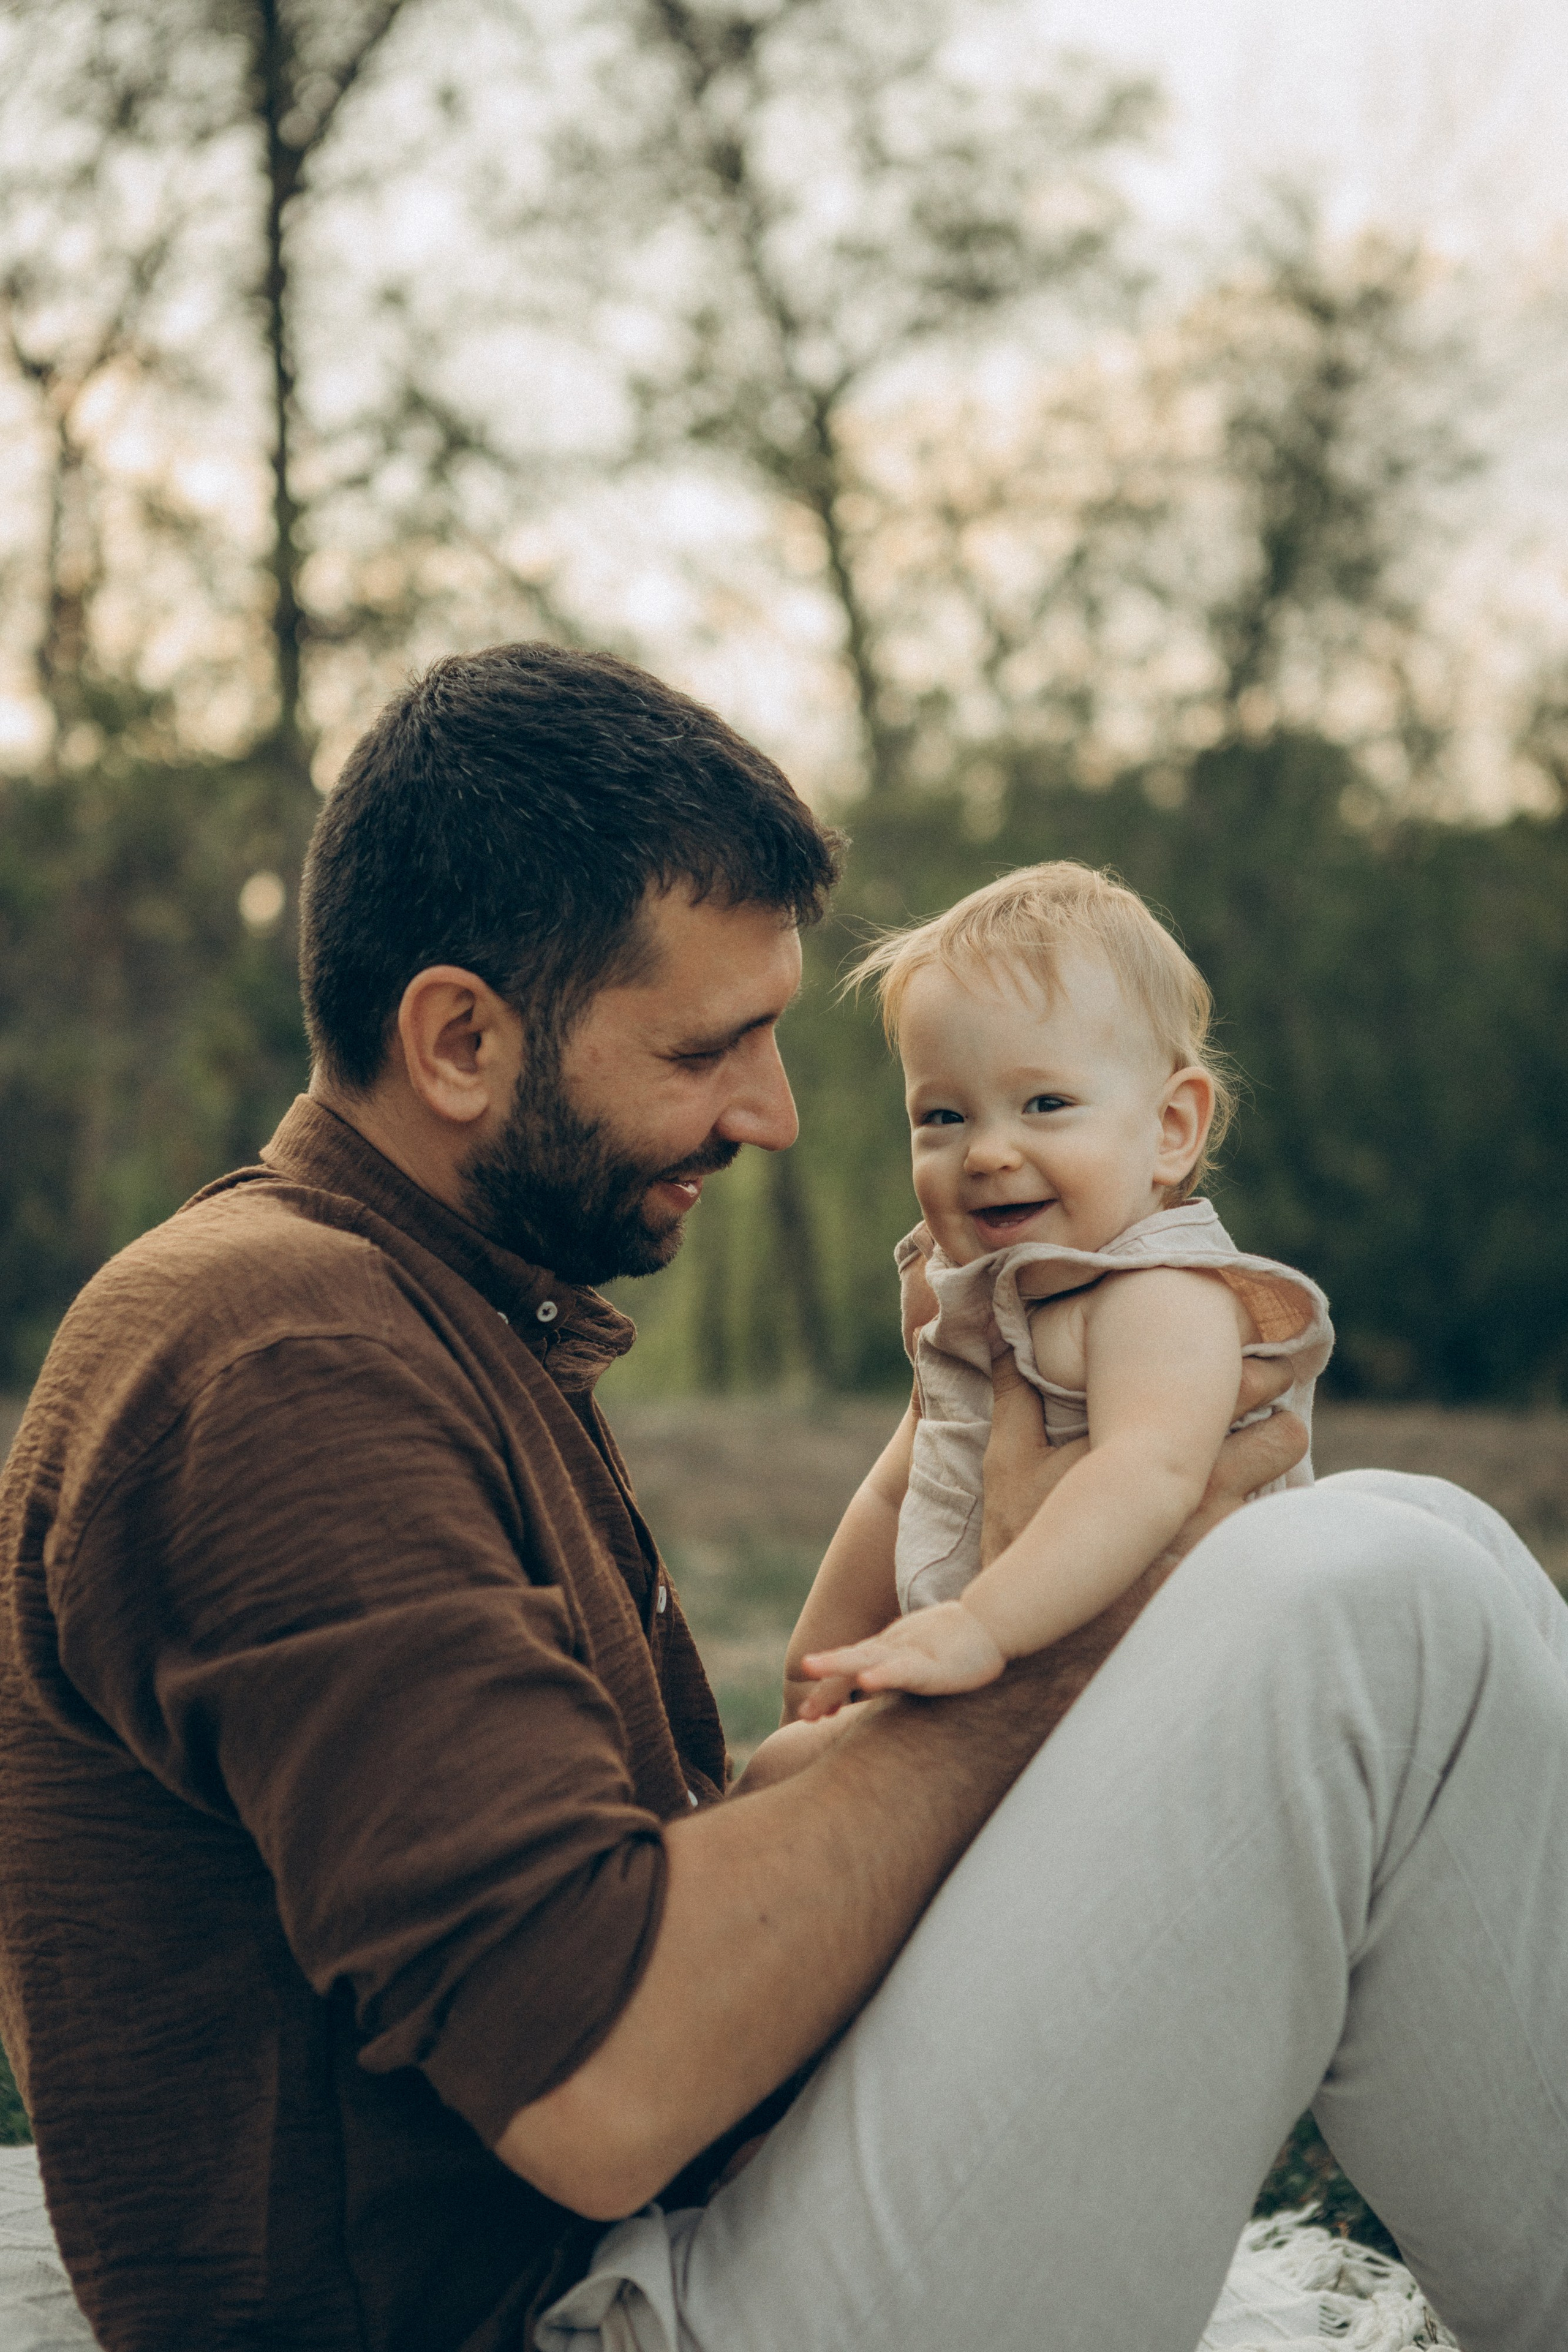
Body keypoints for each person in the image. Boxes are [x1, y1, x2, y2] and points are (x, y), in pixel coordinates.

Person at [0, 645, 1563, 2352]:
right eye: (709, 1046)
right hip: (570, 2315)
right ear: (459, 1039)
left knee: (1419, 1547)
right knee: (1370, 1605)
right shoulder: (278, 1356)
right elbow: (597, 2088)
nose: (778, 1113)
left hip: (674, 2233)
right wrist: (1068, 1634)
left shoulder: (421, 1307)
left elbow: (617, 1897)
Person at [783, 862, 1333, 1719]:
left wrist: (985, 1625)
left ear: (1170, 1130)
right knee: (786, 1764)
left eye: (1044, 1103)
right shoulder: (980, 1300)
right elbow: (903, 1483)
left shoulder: (1159, 1294)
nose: (987, 1153)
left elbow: (1146, 1473)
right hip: (989, 1676)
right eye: (943, 1116)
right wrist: (812, 1659)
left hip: (1161, 1694)